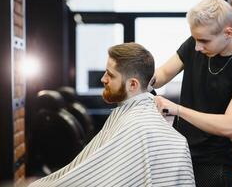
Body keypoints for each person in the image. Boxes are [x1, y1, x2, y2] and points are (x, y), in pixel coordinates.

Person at [28, 43, 195, 187]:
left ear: (132, 84)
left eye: (110, 75)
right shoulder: (131, 115)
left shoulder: (139, 126)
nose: (103, 79)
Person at [151, 0, 232, 187]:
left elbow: (229, 125)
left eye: (203, 41)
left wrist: (177, 109)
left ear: (228, 33)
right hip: (180, 155)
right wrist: (138, 80)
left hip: (212, 165)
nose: (197, 47)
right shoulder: (196, 44)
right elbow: (162, 74)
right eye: (195, 39)